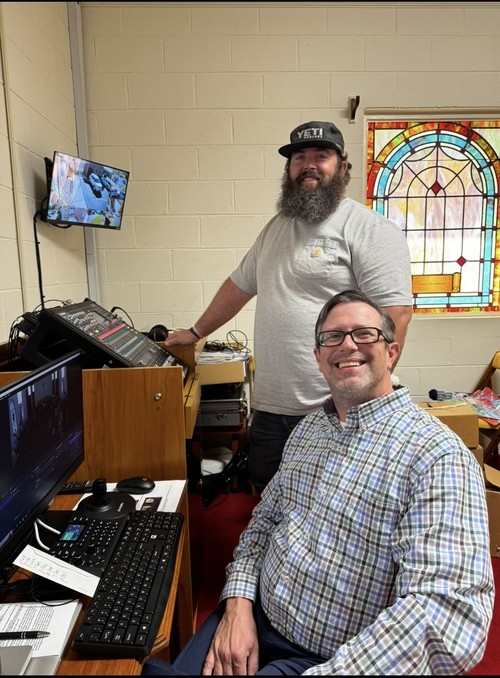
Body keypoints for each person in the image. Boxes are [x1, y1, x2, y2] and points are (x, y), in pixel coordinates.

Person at [144, 289, 494, 676]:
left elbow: (445, 616)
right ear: (318, 357)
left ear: (391, 352)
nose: (348, 345)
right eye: (333, 336)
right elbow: (264, 522)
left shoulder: (436, 456)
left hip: (332, 660)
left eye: (364, 334)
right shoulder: (309, 430)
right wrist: (238, 603)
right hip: (253, 619)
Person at [165, 120, 413, 493]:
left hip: (336, 408)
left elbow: (396, 314)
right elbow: (239, 285)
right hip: (272, 409)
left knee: (332, 509)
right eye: (299, 157)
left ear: (343, 168)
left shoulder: (368, 229)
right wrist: (196, 332)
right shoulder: (276, 228)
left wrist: (366, 399)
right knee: (267, 499)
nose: (308, 165)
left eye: (321, 156)